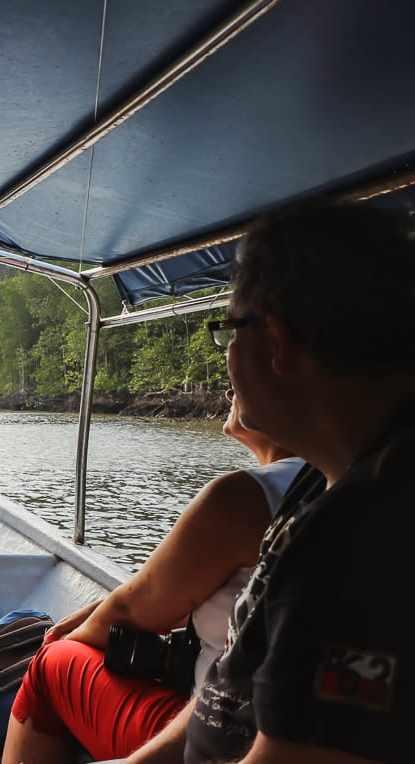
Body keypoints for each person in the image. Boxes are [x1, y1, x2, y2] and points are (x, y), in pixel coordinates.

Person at [126, 199, 415, 764]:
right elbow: (230, 689)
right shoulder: (321, 482)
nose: (227, 355)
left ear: (276, 341)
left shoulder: (363, 534)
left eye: (229, 331)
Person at [2, 391, 303, 764]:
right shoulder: (347, 487)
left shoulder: (248, 496)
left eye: (239, 376)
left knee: (52, 663)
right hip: (276, 728)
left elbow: (129, 612)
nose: (229, 392)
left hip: (220, 735)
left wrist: (65, 637)